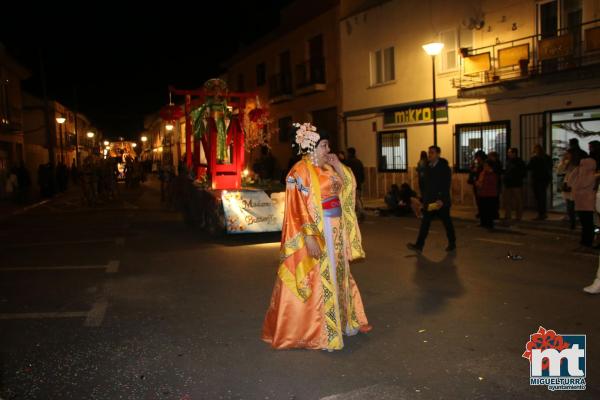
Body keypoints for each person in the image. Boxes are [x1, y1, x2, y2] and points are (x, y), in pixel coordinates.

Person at [262, 122, 371, 351]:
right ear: (311, 148)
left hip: (337, 229)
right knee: (323, 278)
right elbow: (296, 208)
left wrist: (338, 165)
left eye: (327, 145)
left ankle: (343, 322)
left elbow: (348, 187)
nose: (327, 149)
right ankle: (323, 331)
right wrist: (310, 237)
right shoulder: (298, 172)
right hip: (320, 232)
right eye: (323, 145)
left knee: (340, 274)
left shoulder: (329, 167)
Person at [407, 145, 456, 252]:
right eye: (429, 153)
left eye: (432, 153)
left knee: (447, 222)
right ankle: (419, 245)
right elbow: (427, 186)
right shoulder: (428, 167)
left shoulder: (444, 168)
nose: (430, 155)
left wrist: (441, 199)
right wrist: (423, 199)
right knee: (425, 222)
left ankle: (452, 243)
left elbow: (445, 185)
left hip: (441, 202)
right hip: (430, 202)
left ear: (438, 154)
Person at [567, 155, 597, 249]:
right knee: (585, 223)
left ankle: (587, 241)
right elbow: (570, 181)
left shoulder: (590, 175)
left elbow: (580, 184)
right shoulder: (583, 173)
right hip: (582, 201)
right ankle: (585, 241)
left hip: (586, 202)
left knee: (587, 223)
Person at [527, 145, 553, 220]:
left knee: (539, 197)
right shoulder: (547, 157)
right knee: (542, 196)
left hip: (537, 179)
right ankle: (543, 213)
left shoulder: (535, 158)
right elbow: (551, 166)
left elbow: (529, 167)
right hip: (545, 179)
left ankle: (541, 213)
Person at [503, 148, 526, 224]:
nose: (508, 154)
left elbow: (523, 173)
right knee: (507, 201)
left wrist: (516, 177)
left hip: (516, 184)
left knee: (518, 201)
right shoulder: (508, 161)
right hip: (508, 184)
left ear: (514, 153)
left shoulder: (519, 162)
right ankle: (508, 216)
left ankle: (518, 217)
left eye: (509, 152)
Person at [556, 149, 577, 229]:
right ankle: (572, 221)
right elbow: (559, 171)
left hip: (574, 185)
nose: (567, 155)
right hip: (567, 184)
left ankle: (573, 221)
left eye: (568, 154)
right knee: (569, 205)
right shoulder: (566, 163)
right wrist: (563, 161)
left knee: (572, 205)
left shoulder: (577, 163)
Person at [476, 160, 499, 229]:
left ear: (489, 166)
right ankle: (483, 222)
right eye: (484, 166)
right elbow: (480, 181)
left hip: (490, 194)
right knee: (483, 209)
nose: (484, 167)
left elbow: (492, 184)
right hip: (482, 193)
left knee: (489, 210)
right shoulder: (483, 173)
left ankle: (490, 224)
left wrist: (481, 183)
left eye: (486, 166)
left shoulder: (493, 174)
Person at [345, 147, 365, 221]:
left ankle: (361, 212)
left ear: (349, 153)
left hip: (351, 183)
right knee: (358, 198)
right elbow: (362, 173)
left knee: (355, 199)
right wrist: (361, 181)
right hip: (358, 183)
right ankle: (360, 212)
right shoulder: (358, 161)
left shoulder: (348, 162)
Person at [468, 150, 486, 218]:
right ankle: (480, 211)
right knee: (478, 198)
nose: (476, 158)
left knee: (481, 199)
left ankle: (482, 212)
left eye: (477, 157)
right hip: (476, 183)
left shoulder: (484, 164)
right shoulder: (476, 163)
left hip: (481, 183)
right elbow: (472, 171)